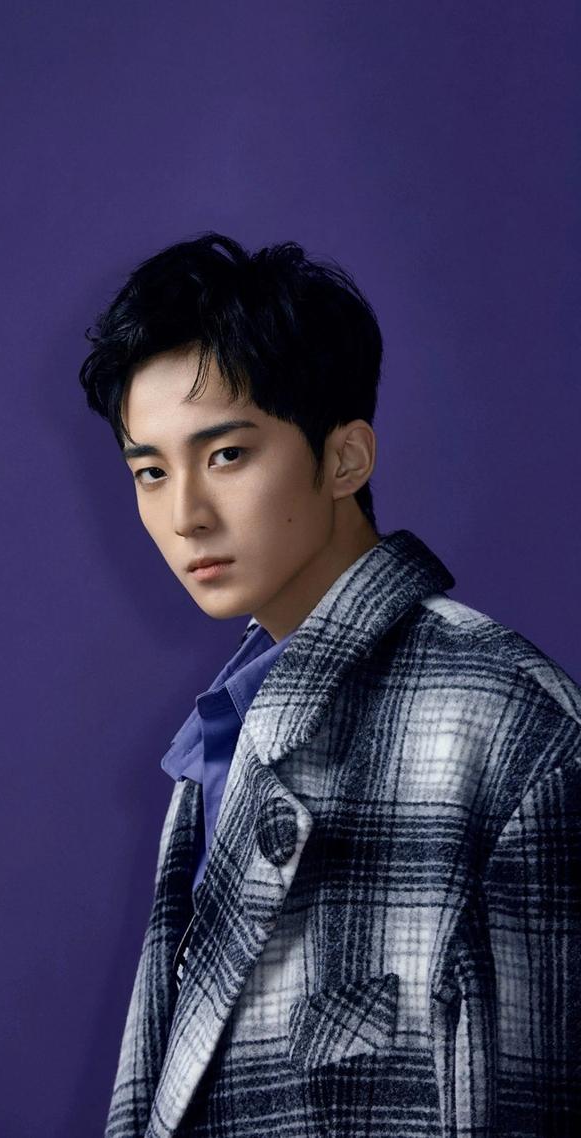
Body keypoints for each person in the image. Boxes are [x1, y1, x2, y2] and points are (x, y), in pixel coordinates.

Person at [78, 232, 580, 1138]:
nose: (185, 514)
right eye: (150, 472)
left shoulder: (509, 727)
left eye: (226, 455)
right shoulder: (225, 733)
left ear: (346, 459)